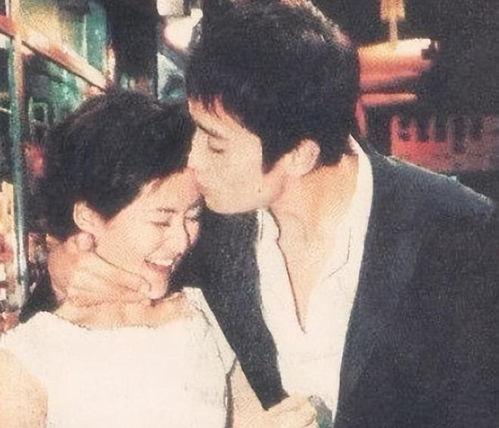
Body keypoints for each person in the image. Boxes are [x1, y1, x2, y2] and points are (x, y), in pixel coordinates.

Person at [47, 1, 499, 427]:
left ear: (301, 155)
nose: (193, 161)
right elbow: (62, 297)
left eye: (216, 145)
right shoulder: (200, 226)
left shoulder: (458, 231)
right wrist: (70, 267)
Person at [0, 91, 232, 428]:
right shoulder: (32, 357)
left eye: (193, 216)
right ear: (88, 216)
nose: (182, 240)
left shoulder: (203, 312)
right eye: (161, 221)